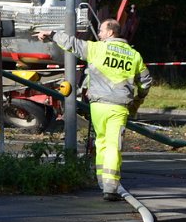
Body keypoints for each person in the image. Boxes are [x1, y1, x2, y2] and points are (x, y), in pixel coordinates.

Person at [34, 19, 151, 201]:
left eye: (102, 30)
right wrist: (138, 101)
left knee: (102, 143)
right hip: (119, 107)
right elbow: (145, 82)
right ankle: (111, 187)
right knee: (114, 145)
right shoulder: (134, 56)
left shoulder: (97, 49)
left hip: (97, 106)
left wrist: (52, 34)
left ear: (111, 32)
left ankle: (103, 184)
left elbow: (72, 44)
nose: (100, 33)